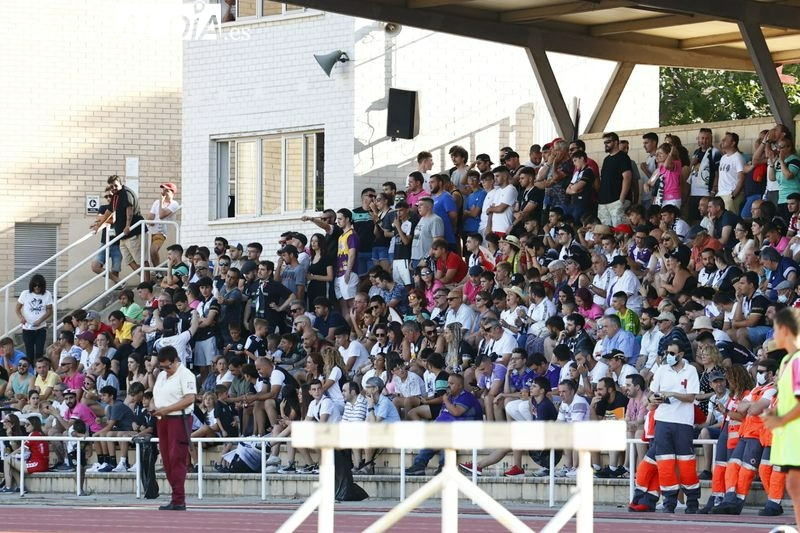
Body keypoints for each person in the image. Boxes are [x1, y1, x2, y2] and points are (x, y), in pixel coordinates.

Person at [764, 308, 800, 526]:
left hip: (795, 435)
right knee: (794, 486)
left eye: (775, 329)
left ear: (785, 329)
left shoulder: (797, 361)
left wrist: (780, 420)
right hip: (789, 438)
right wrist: (774, 413)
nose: (773, 335)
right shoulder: (787, 360)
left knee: (796, 486)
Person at [151, 345, 197, 511]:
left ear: (175, 360)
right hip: (162, 418)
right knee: (167, 458)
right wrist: (155, 407)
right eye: (162, 366)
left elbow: (190, 398)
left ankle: (179, 498)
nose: (165, 369)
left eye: (167, 366)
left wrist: (167, 409)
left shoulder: (185, 374)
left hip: (178, 418)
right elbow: (156, 394)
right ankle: (175, 496)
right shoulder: (162, 375)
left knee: (176, 457)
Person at [16, 274, 54, 360]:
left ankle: (39, 373)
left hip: (41, 329)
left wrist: (40, 320)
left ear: (42, 286)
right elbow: (17, 309)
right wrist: (21, 317)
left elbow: (49, 311)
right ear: (31, 285)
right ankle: (30, 372)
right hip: (27, 329)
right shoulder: (25, 294)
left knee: (39, 353)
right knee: (29, 353)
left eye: (39, 286)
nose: (37, 287)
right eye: (34, 285)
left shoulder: (47, 294)